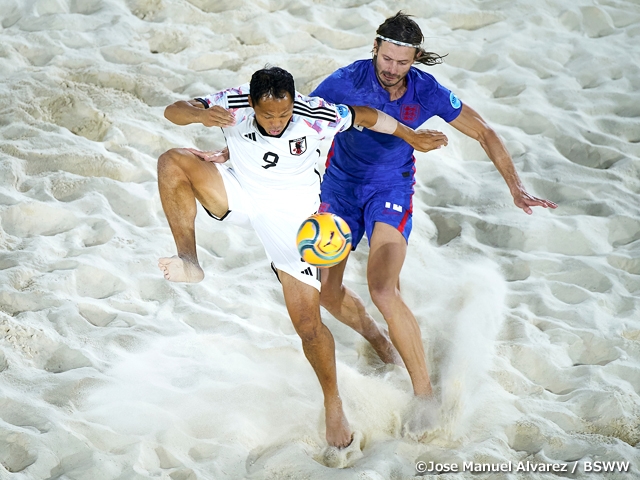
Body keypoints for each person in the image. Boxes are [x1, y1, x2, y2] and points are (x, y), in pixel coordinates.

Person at [156, 66, 448, 447]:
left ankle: (337, 399)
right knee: (172, 160)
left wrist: (412, 136)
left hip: (294, 224)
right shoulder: (233, 103)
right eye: (267, 115)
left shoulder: (315, 114)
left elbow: (367, 116)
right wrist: (197, 113)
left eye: (283, 113)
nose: (276, 122)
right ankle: (189, 260)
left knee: (310, 323)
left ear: (294, 103)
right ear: (253, 103)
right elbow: (172, 111)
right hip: (240, 192)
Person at [310, 12, 557, 400]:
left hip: (390, 189)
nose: (392, 69)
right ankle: (379, 341)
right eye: (386, 59)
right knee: (326, 291)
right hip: (339, 188)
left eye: (402, 63)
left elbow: (484, 131)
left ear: (416, 58)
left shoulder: (427, 90)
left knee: (383, 290)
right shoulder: (344, 82)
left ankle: (424, 394)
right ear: (375, 48)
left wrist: (516, 187)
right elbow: (292, 121)